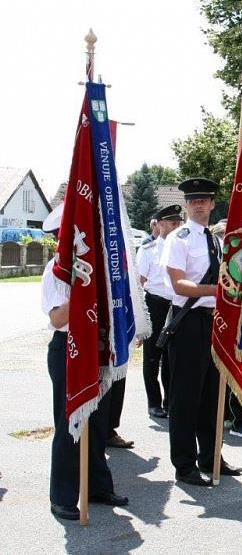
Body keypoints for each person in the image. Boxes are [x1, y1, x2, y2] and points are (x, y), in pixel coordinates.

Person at [41, 208, 129, 520]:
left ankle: (97, 486)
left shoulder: (99, 267)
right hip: (67, 347)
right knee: (69, 423)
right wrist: (81, 289)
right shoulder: (53, 271)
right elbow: (56, 318)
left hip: (97, 346)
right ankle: (63, 495)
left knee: (97, 420)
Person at [161, 177, 242, 486]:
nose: (198, 204)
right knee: (185, 398)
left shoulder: (219, 240)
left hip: (216, 321)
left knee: (212, 394)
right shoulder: (178, 238)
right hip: (189, 322)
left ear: (211, 204)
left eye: (203, 200)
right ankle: (184, 463)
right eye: (193, 200)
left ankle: (210, 455)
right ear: (186, 205)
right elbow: (179, 285)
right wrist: (218, 290)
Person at [136, 204, 182, 419]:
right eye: (172, 222)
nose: (176, 226)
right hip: (155, 304)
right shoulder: (148, 250)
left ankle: (170, 401)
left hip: (177, 306)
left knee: (172, 358)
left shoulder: (182, 248)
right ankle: (153, 402)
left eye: (178, 222)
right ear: (160, 224)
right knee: (153, 357)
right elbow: (139, 283)